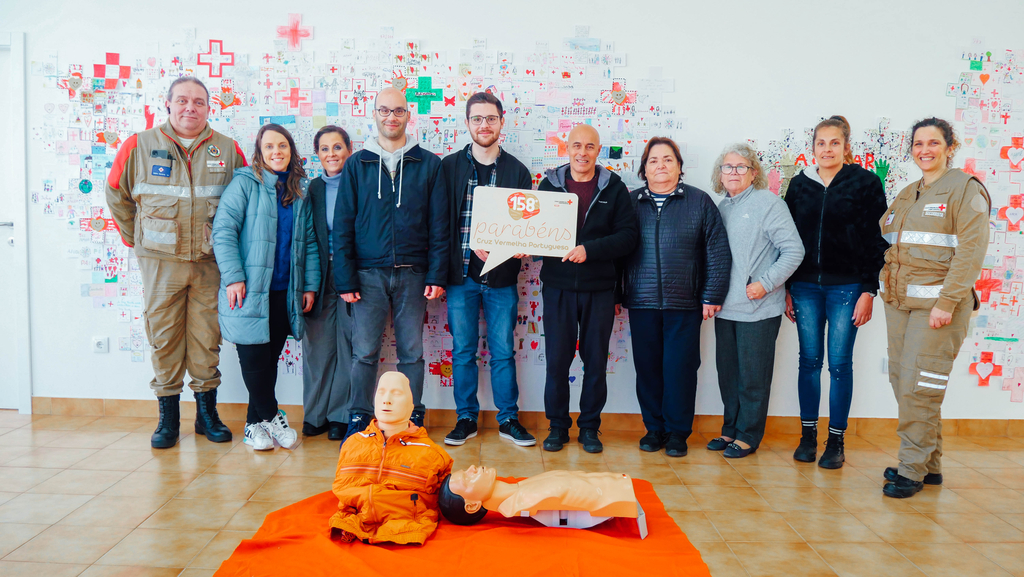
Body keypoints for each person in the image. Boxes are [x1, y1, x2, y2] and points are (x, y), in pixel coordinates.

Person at [106, 77, 246, 448]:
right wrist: (137, 240)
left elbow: (243, 203)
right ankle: (168, 419)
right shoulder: (139, 145)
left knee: (206, 337)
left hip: (210, 263)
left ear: (209, 108)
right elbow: (116, 193)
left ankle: (206, 415)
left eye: (199, 102)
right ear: (167, 104)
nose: (190, 108)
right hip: (160, 264)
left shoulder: (228, 149)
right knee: (164, 337)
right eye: (182, 100)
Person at [879, 118, 989, 498]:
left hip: (938, 308)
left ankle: (911, 470)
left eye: (933, 143)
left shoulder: (965, 189)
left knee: (919, 387)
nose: (924, 150)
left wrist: (947, 302)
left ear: (949, 147)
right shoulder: (908, 193)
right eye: (918, 143)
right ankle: (930, 465)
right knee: (906, 382)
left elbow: (971, 252)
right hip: (900, 305)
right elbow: (890, 240)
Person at [334, 88, 449, 441]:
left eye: (398, 111)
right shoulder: (357, 164)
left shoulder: (429, 164)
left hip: (414, 274)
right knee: (364, 352)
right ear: (374, 114)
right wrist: (345, 279)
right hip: (366, 275)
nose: (391, 117)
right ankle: (359, 416)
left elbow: (439, 224)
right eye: (384, 110)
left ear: (408, 115)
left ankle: (412, 417)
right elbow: (343, 224)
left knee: (412, 353)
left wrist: (437, 273)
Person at [784, 116, 889, 468]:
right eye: (821, 143)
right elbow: (786, 240)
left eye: (834, 143)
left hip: (847, 288)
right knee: (809, 362)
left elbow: (877, 240)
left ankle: (836, 441)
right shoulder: (799, 185)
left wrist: (869, 290)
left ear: (846, 147)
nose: (827, 149)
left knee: (840, 365)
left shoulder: (865, 183)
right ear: (812, 147)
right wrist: (787, 288)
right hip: (804, 287)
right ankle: (808, 437)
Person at [212, 123, 320, 451]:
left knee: (268, 361)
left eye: (282, 146)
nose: (277, 152)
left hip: (285, 292)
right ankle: (273, 416)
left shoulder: (298, 190)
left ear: (291, 150)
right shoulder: (244, 184)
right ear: (259, 152)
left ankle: (252, 426)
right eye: (269, 146)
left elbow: (309, 243)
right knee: (253, 360)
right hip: (248, 290)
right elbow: (223, 231)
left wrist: (309, 285)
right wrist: (234, 276)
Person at [623, 137, 731, 458]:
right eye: (654, 160)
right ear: (644, 169)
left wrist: (712, 294)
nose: (661, 166)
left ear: (679, 166)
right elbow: (616, 252)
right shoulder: (629, 203)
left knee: (680, 369)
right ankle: (653, 429)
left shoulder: (699, 201)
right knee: (648, 369)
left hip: (685, 303)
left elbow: (717, 252)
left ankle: (677, 432)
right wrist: (616, 294)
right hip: (641, 302)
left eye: (668, 159)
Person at [440, 92, 535, 447]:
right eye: (477, 119)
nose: (484, 125)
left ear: (501, 122)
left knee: (503, 352)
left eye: (491, 118)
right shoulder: (448, 167)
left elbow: (526, 225)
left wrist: (518, 245)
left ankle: (508, 419)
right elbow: (440, 224)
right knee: (463, 351)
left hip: (501, 277)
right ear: (467, 123)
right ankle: (465, 418)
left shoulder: (517, 171)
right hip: (460, 276)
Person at [537, 125, 639, 454]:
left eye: (590, 146)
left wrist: (589, 250)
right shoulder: (548, 185)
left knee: (595, 362)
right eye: (576, 145)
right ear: (567, 148)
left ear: (598, 150)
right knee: (557, 362)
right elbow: (535, 230)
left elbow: (628, 237)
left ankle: (590, 428)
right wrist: (525, 246)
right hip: (557, 288)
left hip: (599, 290)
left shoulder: (615, 188)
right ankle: (557, 426)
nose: (582, 152)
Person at [711, 143, 804, 458]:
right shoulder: (723, 206)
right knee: (728, 376)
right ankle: (730, 430)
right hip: (726, 308)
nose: (733, 172)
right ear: (720, 174)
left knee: (753, 377)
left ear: (753, 173)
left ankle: (748, 435)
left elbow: (794, 250)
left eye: (741, 167)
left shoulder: (769, 204)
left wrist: (765, 284)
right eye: (728, 167)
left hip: (759, 309)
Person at [330, 372, 453, 545]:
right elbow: (342, 489)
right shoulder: (353, 444)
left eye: (396, 393)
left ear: (411, 406)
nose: (386, 400)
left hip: (409, 532)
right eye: (381, 392)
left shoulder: (432, 455)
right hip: (350, 526)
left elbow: (444, 502)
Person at [301, 126, 353, 441]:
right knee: (317, 348)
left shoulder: (360, 182)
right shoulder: (313, 189)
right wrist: (307, 282)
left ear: (349, 149)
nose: (331, 154)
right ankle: (315, 415)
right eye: (324, 149)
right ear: (317, 154)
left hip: (352, 274)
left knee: (349, 346)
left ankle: (340, 416)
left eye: (337, 147)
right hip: (318, 275)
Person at [440, 465, 638, 522]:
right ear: (472, 505)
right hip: (619, 497)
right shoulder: (525, 500)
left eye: (466, 470)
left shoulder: (524, 487)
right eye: (467, 479)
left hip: (619, 488)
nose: (472, 468)